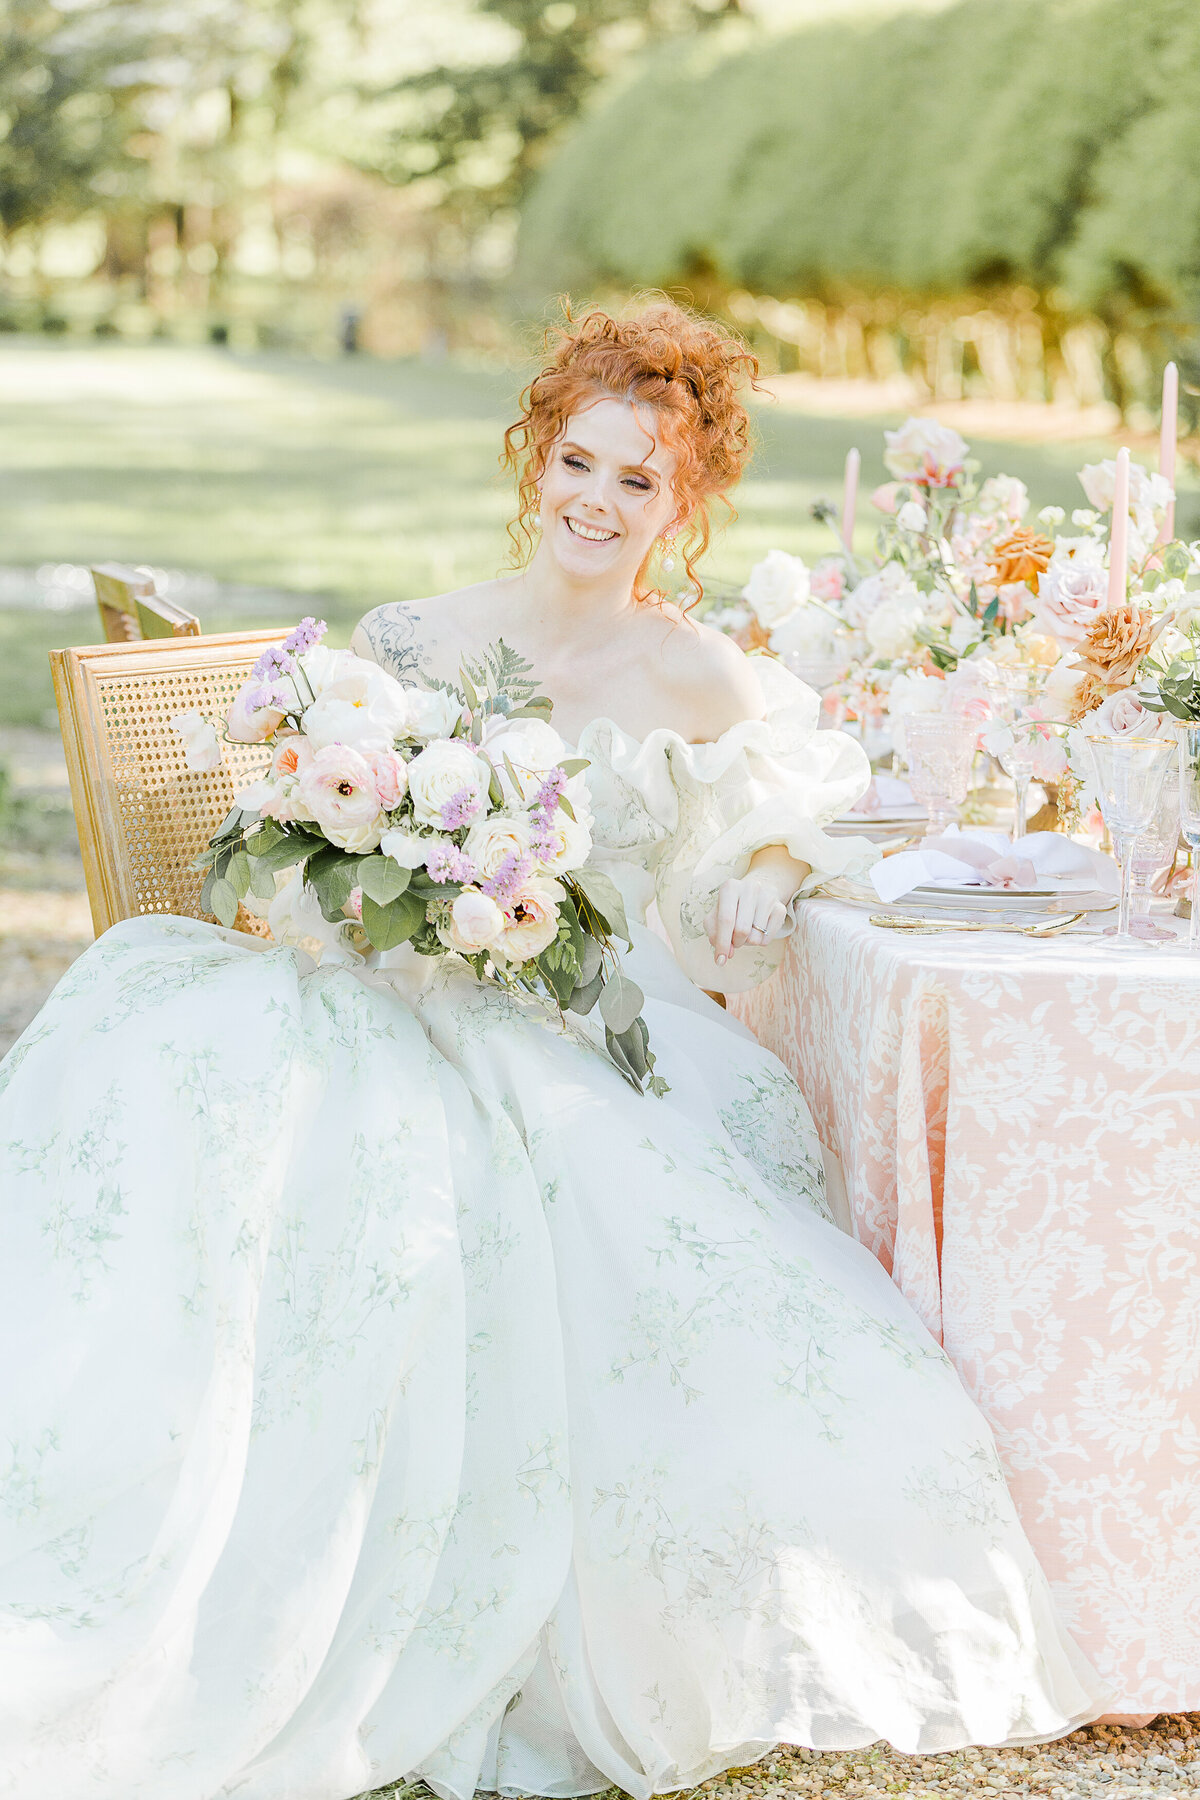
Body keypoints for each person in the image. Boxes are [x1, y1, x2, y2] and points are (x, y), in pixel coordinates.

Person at [0, 301, 1105, 1800]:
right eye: (578, 462)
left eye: (638, 482)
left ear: (687, 501)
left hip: (568, 1026)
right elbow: (271, 870)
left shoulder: (706, 680)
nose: (597, 501)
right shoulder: (410, 643)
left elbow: (734, 902)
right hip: (377, 999)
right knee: (194, 1069)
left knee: (598, 1210)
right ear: (536, 457)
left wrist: (755, 880)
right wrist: (371, 888)